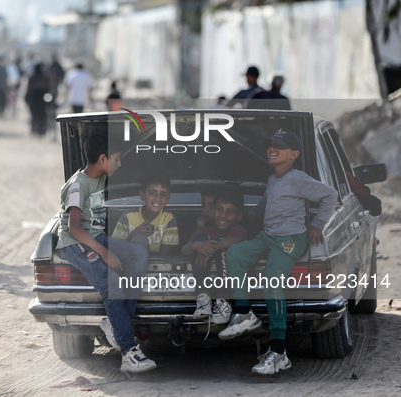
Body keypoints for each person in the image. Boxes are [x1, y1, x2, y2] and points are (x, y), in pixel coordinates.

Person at [221, 129, 338, 375]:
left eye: (280, 146)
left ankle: (278, 353)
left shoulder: (297, 178)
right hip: (268, 236)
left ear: (294, 154)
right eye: (271, 145)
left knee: (272, 286)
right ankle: (244, 313)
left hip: (290, 240)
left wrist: (317, 224)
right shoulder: (273, 179)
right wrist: (237, 218)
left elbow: (330, 194)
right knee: (235, 254)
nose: (272, 149)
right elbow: (264, 206)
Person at [55, 131, 156, 374]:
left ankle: (116, 321)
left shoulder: (98, 176)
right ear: (103, 158)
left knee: (139, 253)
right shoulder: (79, 185)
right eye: (117, 158)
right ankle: (128, 352)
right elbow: (74, 228)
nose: (120, 164)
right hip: (74, 243)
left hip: (95, 238)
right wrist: (103, 252)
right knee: (113, 284)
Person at [181, 192, 247, 323]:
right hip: (203, 277)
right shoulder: (203, 232)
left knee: (223, 245)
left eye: (229, 211)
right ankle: (203, 300)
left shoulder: (239, 230)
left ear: (239, 216)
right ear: (213, 211)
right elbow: (184, 250)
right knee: (197, 247)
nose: (223, 215)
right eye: (219, 210)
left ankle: (224, 303)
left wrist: (212, 247)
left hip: (227, 283)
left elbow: (242, 239)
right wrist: (197, 246)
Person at [112, 176, 179, 255]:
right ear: (142, 195)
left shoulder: (168, 217)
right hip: (131, 261)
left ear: (168, 198)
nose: (158, 198)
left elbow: (165, 255)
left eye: (163, 195)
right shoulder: (128, 216)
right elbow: (115, 248)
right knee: (140, 239)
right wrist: (134, 234)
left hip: (158, 263)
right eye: (152, 193)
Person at [24, 63, 50, 137]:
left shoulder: (32, 77)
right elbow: (48, 88)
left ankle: (35, 130)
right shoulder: (44, 77)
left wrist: (26, 98)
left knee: (34, 115)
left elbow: (28, 88)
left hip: (34, 98)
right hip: (42, 98)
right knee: (41, 115)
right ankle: (41, 131)